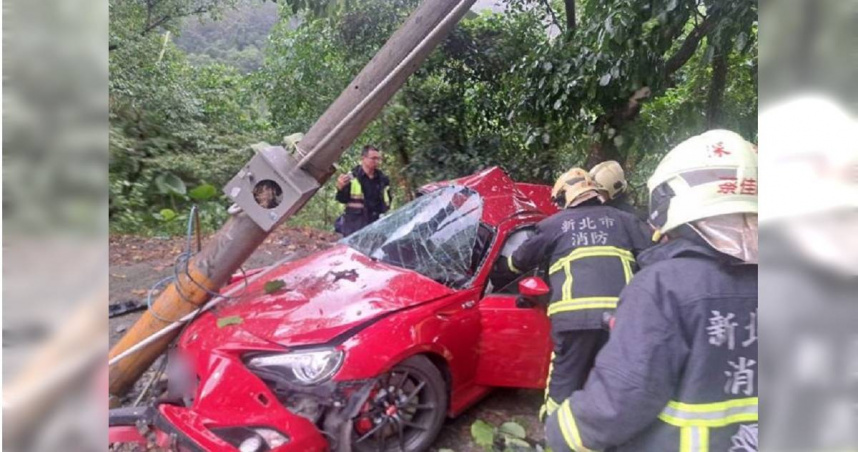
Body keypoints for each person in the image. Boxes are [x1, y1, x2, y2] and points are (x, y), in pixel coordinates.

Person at [544, 130, 759, 452]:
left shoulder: (664, 286)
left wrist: (558, 435)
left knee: (564, 374)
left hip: (571, 319)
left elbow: (617, 401)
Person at [507, 168, 653, 422]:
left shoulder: (552, 225)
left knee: (563, 382)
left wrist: (506, 267)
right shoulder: (625, 221)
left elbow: (518, 261)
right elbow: (655, 258)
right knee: (619, 381)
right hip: (621, 320)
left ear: (565, 198)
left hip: (573, 320)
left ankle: (555, 432)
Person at [335, 145, 392, 237]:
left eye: (378, 159)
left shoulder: (383, 179)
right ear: (363, 158)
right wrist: (340, 188)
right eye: (373, 158)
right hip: (354, 226)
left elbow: (387, 201)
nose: (376, 162)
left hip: (375, 226)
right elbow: (342, 199)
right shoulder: (351, 177)